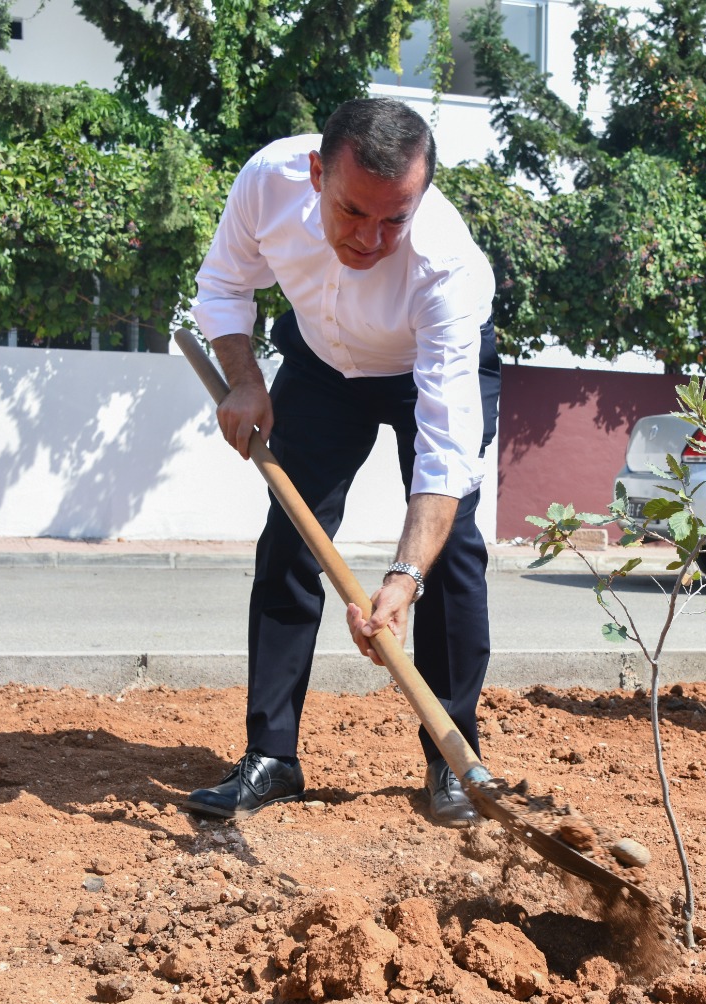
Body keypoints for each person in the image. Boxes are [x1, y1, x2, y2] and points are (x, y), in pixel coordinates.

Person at [183, 99, 500, 825]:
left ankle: (452, 758)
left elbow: (446, 454)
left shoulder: (447, 269)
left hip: (426, 365)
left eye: (396, 219)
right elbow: (225, 287)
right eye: (353, 212)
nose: (372, 238)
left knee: (451, 561)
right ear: (317, 172)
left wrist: (403, 576)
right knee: (290, 546)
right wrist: (244, 379)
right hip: (322, 364)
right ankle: (271, 757)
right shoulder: (268, 180)